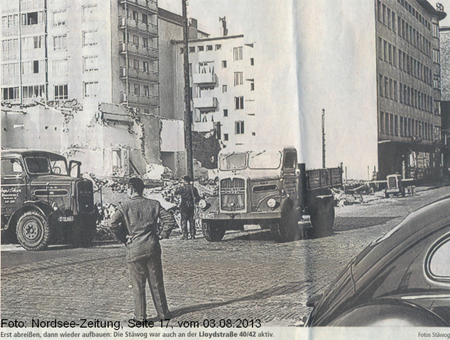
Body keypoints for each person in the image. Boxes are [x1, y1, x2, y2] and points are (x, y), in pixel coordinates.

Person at [109, 177, 175, 321]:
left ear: (131, 189)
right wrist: (162, 234)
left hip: (135, 249)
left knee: (138, 285)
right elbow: (170, 220)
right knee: (157, 282)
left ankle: (140, 317)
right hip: (152, 247)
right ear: (142, 189)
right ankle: (164, 314)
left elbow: (112, 223)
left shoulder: (124, 206)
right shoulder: (154, 204)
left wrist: (124, 237)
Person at [174, 175, 200, 240]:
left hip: (184, 205)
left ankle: (185, 235)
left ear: (184, 181)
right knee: (192, 220)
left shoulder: (182, 188)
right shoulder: (193, 188)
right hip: (191, 205)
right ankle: (192, 235)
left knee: (184, 220)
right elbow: (198, 197)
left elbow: (175, 192)